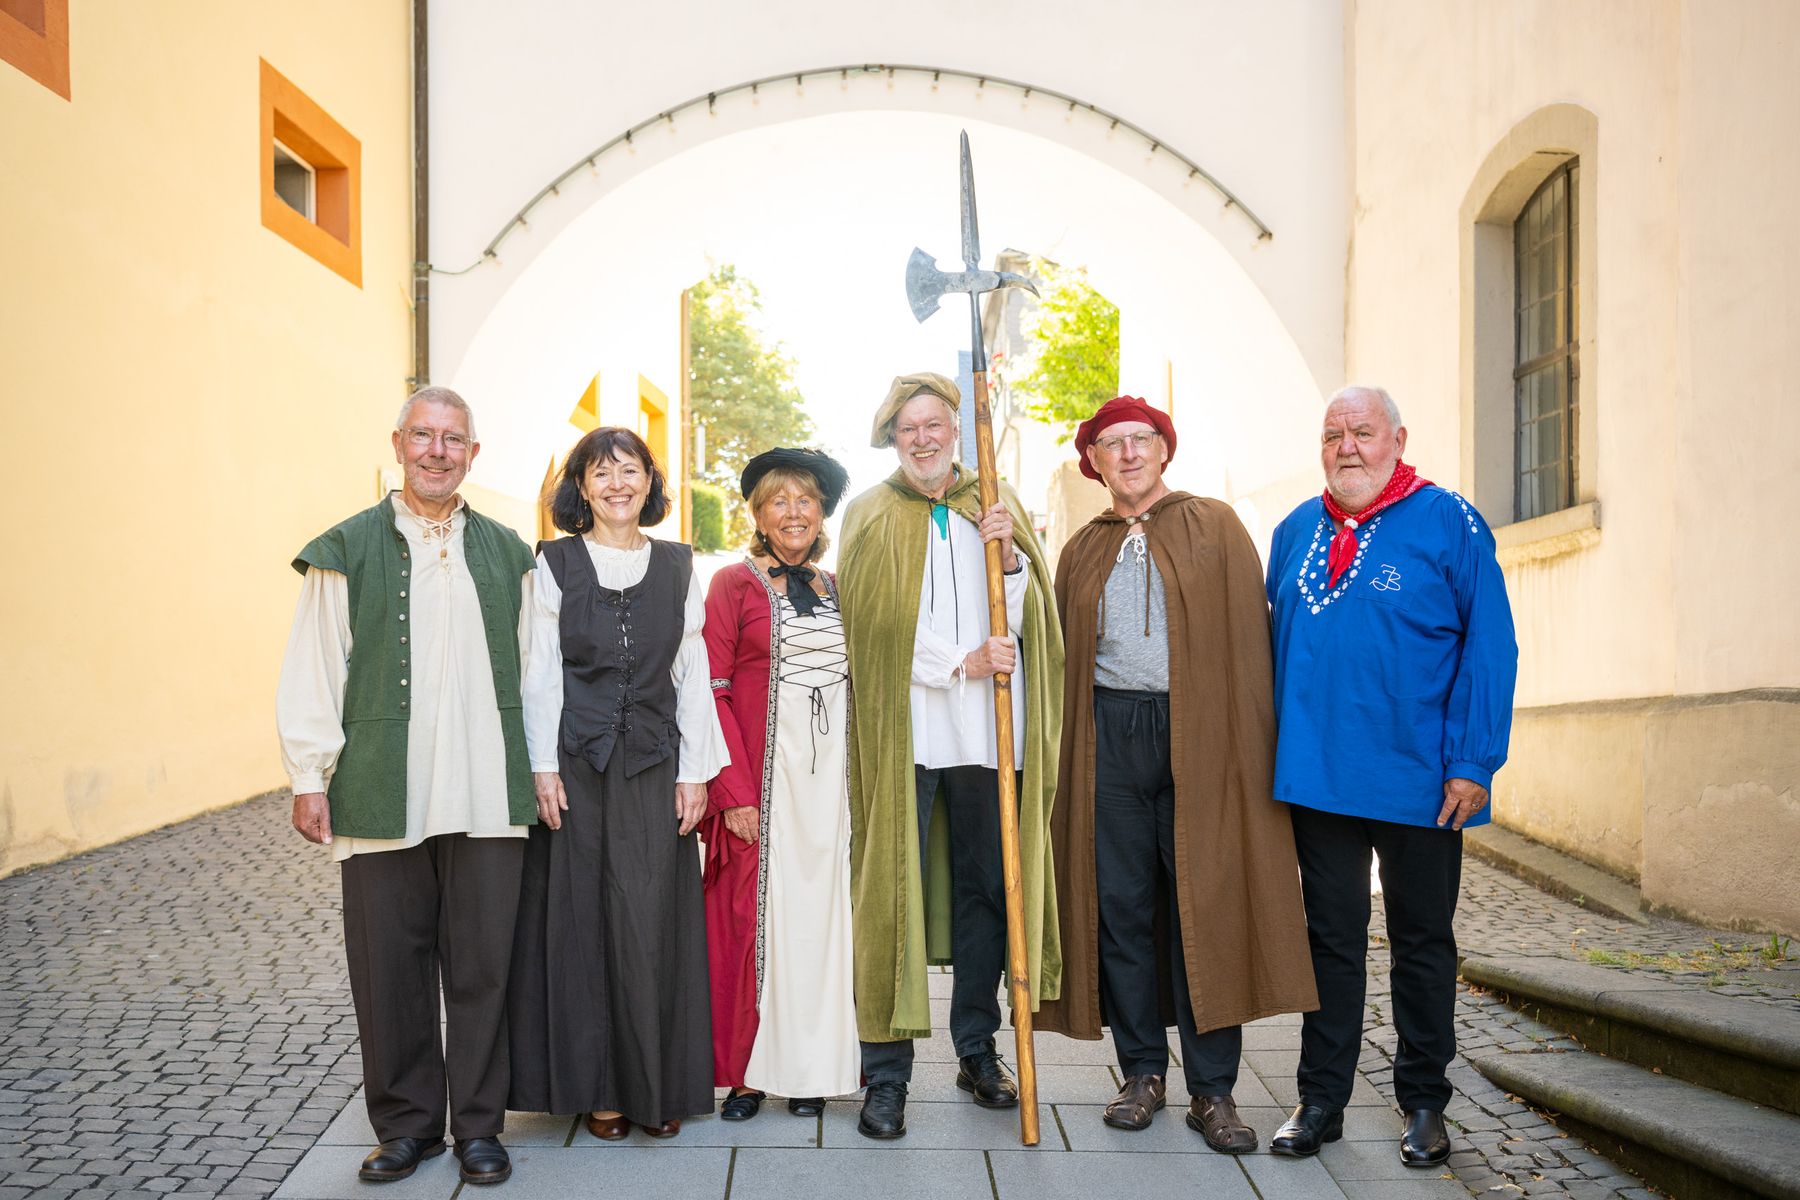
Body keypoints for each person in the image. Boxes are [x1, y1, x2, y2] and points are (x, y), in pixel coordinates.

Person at [1037, 396, 1318, 1150]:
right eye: (1111, 444)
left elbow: (1248, 645)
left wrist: (1250, 750)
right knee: (1122, 908)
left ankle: (1213, 1090)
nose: (1128, 454)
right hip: (1107, 735)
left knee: (1206, 904)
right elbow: (1058, 654)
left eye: (1142, 440)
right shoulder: (1082, 548)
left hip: (1200, 735)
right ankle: (1140, 1073)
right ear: (1093, 461)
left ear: (1164, 449)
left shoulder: (1214, 525)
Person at [277, 386, 534, 1187]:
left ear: (473, 454)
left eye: (452, 440)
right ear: (397, 444)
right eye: (422, 435)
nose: (436, 451)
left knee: (485, 967)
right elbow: (314, 663)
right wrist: (309, 775)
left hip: (487, 789)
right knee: (388, 966)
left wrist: (542, 769)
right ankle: (407, 1126)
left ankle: (480, 1126)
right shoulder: (346, 546)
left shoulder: (510, 552)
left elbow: (536, 671)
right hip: (382, 787)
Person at [1265, 385, 1516, 1165]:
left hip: (1422, 782)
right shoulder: (1293, 530)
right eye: (1333, 434)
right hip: (1318, 780)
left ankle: (1425, 1101)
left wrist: (1472, 760)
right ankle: (1320, 1100)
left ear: (1398, 440)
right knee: (1330, 941)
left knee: (1422, 941)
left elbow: (1490, 644)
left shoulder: (1450, 521)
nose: (1347, 447)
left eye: (1363, 432)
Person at [837, 372, 1064, 1140]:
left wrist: (1011, 562)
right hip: (907, 727)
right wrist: (957, 663)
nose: (923, 439)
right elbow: (870, 623)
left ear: (957, 431)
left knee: (987, 890)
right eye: (908, 429)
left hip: (989, 733)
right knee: (889, 886)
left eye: (933, 424)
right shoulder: (871, 513)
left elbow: (1032, 620)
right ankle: (886, 1074)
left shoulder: (995, 503)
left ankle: (977, 1049)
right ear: (893, 439)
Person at [507, 426, 728, 1142]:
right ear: (581, 487)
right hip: (577, 766)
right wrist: (542, 767)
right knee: (583, 923)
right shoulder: (554, 564)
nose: (616, 484)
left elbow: (691, 672)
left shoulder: (677, 565)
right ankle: (599, 1091)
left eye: (629, 470)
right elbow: (540, 670)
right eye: (600, 473)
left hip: (655, 766)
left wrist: (694, 772)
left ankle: (653, 1086)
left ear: (649, 482)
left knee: (651, 920)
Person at [702, 447, 860, 1120]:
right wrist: (732, 791)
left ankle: (809, 1070)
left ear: (821, 514)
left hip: (830, 790)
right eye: (778, 501)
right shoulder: (732, 585)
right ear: (759, 515)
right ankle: (746, 1076)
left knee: (820, 924)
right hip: (764, 781)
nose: (794, 512)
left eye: (806, 501)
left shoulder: (839, 586)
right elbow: (710, 691)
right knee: (754, 924)